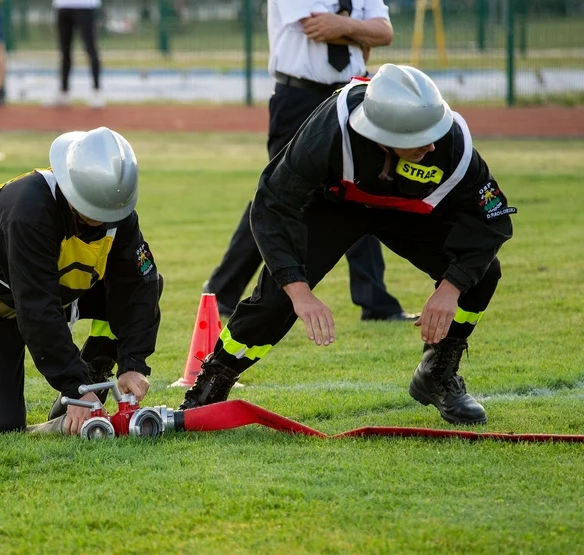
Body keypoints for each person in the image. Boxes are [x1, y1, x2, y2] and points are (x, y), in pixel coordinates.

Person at [182, 64, 516, 425]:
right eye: (419, 138)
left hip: (409, 212)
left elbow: (493, 219)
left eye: (434, 132)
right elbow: (271, 205)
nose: (433, 144)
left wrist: (452, 288)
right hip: (336, 206)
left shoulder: (452, 143)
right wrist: (300, 293)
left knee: (480, 275)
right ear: (383, 135)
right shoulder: (328, 131)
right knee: (279, 295)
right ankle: (212, 384)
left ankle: (437, 373)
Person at [0, 127, 163, 434]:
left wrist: (133, 363)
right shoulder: (29, 209)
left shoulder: (116, 211)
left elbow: (137, 287)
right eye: (92, 213)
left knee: (149, 283)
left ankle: (96, 368)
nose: (101, 222)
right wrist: (76, 386)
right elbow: (37, 309)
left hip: (50, 290)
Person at [204, 0, 416, 323]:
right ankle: (222, 291)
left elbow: (385, 33)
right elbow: (316, 28)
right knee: (278, 196)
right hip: (299, 97)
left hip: (355, 95)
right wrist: (361, 32)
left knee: (363, 192)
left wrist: (344, 26)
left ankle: (376, 303)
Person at [44, 0, 104, 108]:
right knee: (64, 51)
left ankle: (96, 92)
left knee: (91, 49)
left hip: (85, 5)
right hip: (63, 6)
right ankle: (64, 92)